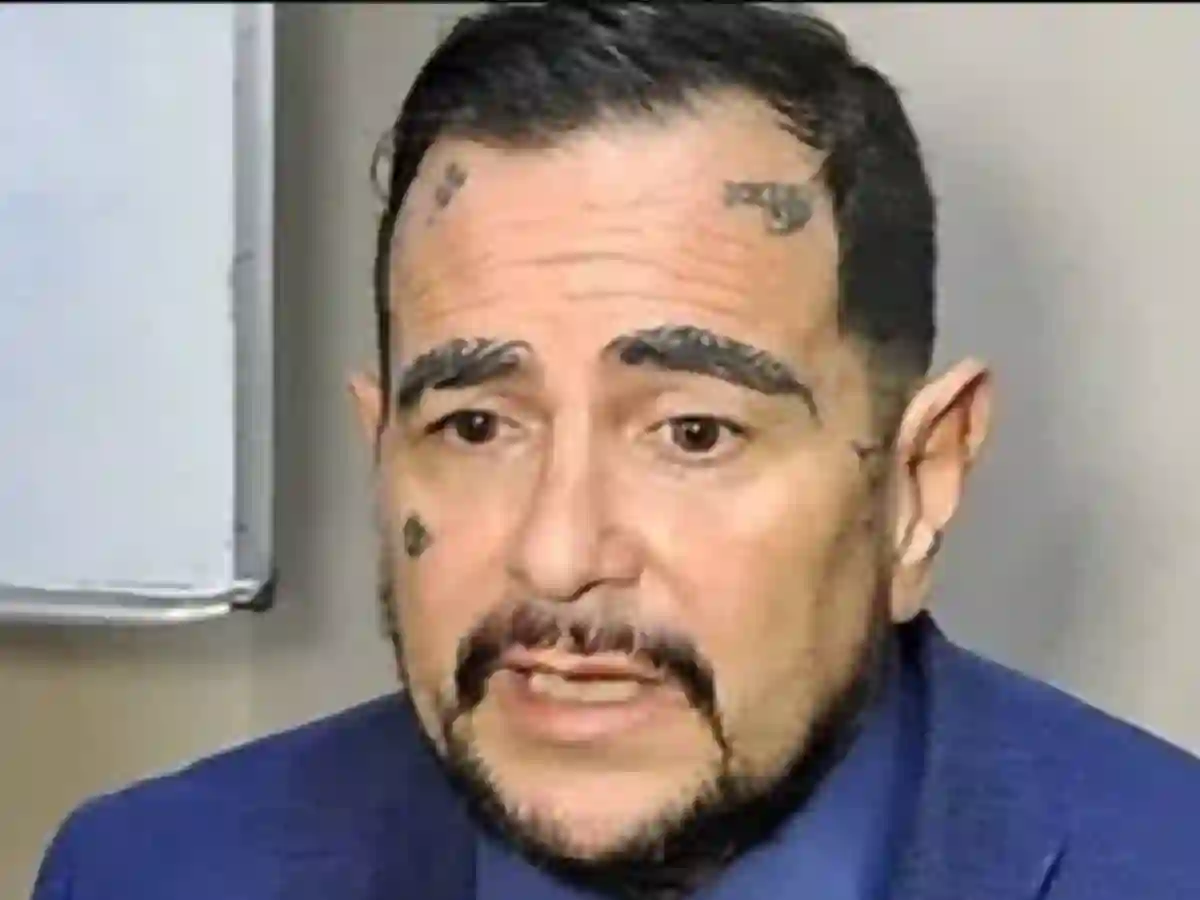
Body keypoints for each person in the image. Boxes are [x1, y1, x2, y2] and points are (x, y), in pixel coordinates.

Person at [32, 4, 1200, 899]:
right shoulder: (154, 873)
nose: (558, 556)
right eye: (476, 427)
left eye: (693, 433)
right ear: (380, 451)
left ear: (919, 485)